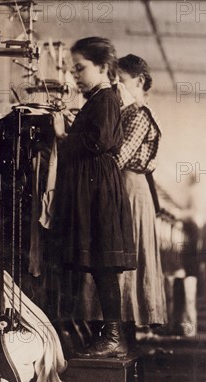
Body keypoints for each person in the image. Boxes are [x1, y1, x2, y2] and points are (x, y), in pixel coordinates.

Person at [52, 37, 136, 358]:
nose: (75, 74)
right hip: (96, 183)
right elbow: (97, 136)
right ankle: (110, 334)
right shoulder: (100, 98)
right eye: (74, 68)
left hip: (99, 186)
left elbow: (98, 142)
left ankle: (113, 336)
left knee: (104, 264)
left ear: (102, 67)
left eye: (80, 68)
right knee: (100, 263)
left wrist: (63, 136)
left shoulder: (105, 98)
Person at [113, 54, 166, 338]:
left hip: (131, 188)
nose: (116, 87)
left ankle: (124, 333)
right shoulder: (128, 113)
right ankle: (123, 333)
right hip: (128, 187)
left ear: (140, 81)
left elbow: (118, 158)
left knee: (126, 258)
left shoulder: (138, 114)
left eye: (120, 81)